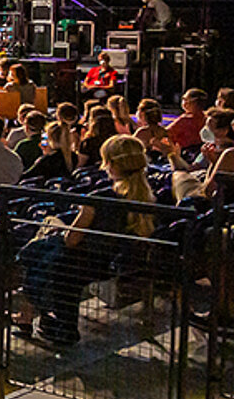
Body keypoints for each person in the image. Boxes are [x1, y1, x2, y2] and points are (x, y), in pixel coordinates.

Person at [20, 135, 156, 345]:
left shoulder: (98, 198)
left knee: (38, 253)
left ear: (111, 164)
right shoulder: (148, 197)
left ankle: (40, 318)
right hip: (113, 260)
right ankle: (37, 318)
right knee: (44, 252)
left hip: (87, 260)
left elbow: (72, 240)